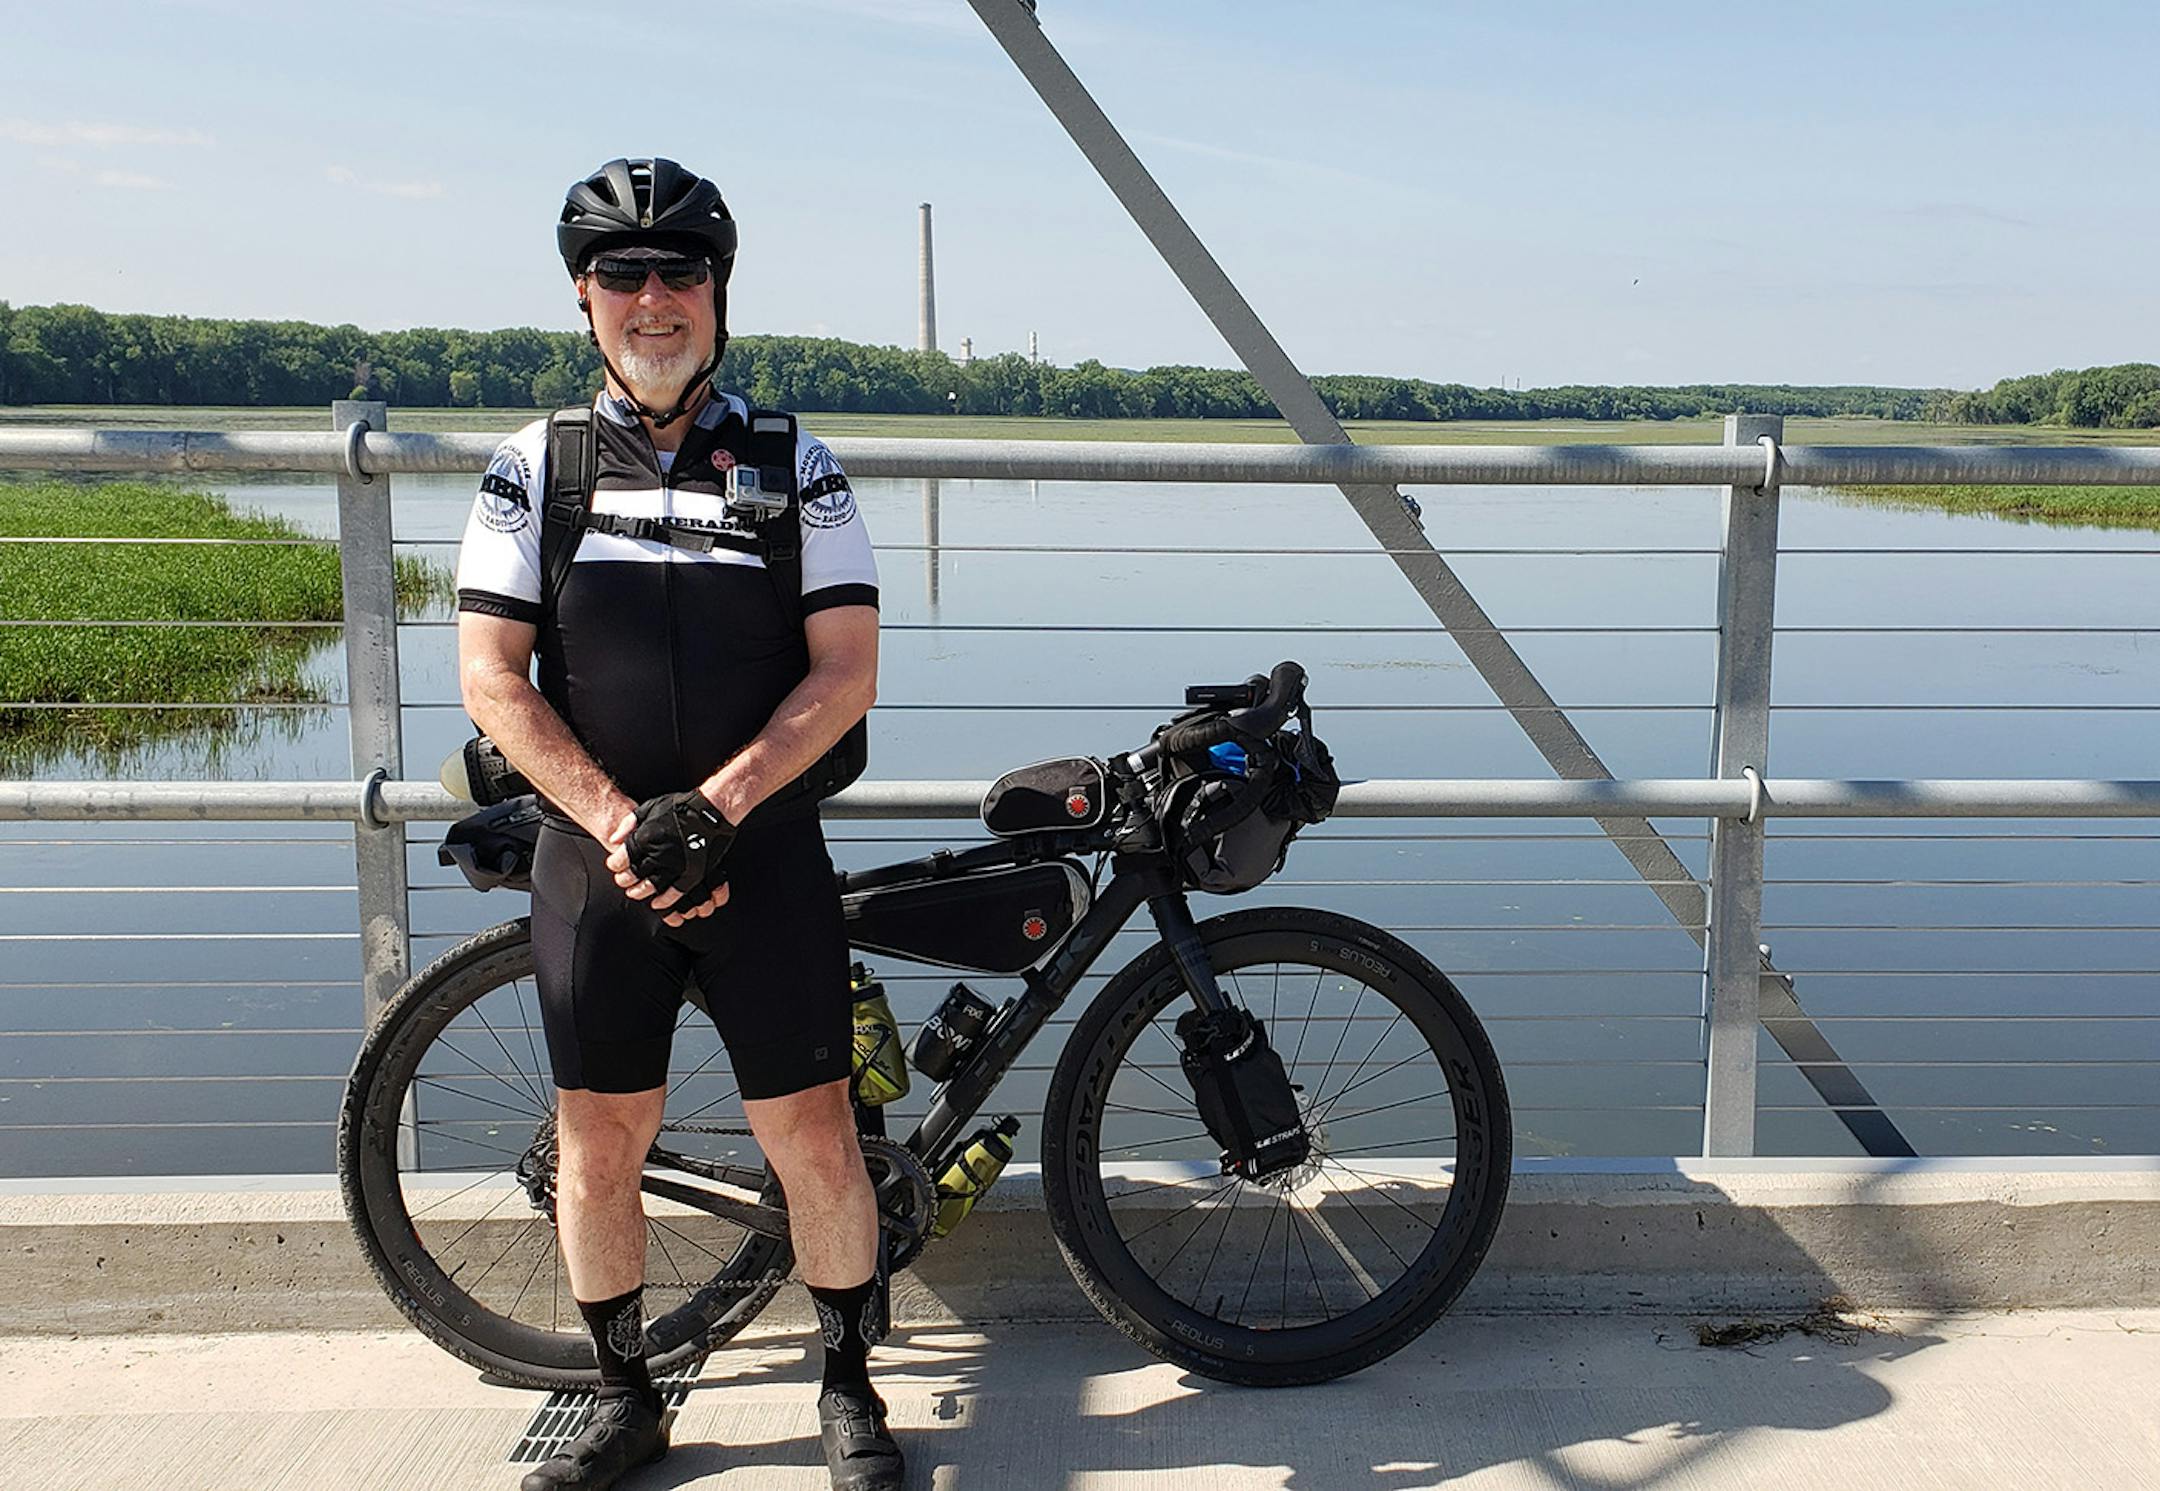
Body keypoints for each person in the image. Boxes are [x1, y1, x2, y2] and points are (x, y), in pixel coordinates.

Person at [453, 157, 899, 1491]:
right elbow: (492, 678)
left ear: (720, 293)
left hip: (758, 851)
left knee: (816, 1134)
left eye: (683, 272)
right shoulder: (532, 470)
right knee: (598, 1147)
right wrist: (620, 825)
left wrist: (712, 812)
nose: (657, 299)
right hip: (596, 865)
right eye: (625, 275)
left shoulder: (794, 463)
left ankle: (847, 1385)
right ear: (585, 298)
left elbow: (846, 671)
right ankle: (625, 1396)